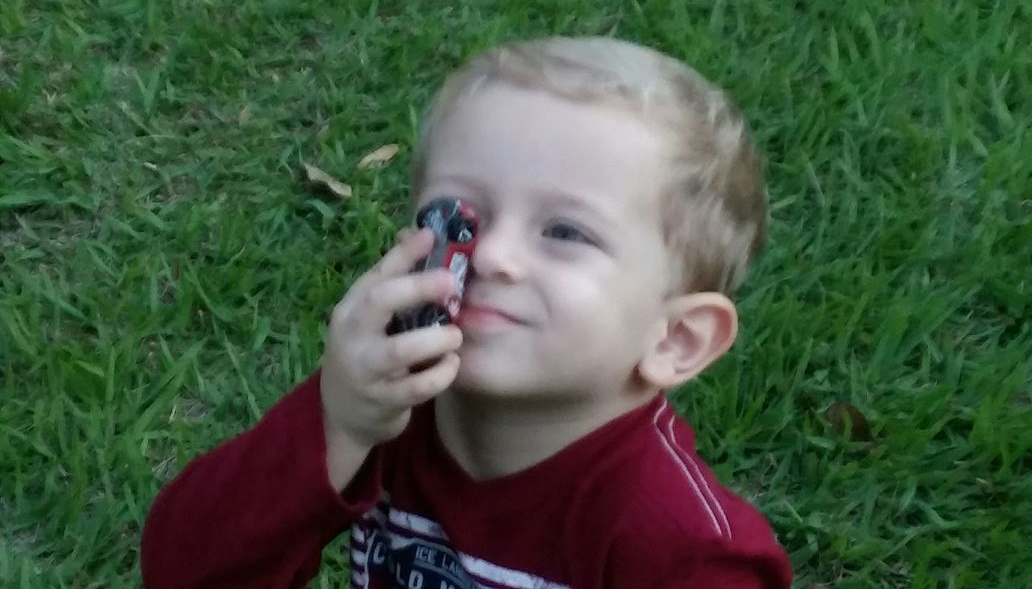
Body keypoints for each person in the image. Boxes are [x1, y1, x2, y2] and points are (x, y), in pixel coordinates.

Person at [141, 37, 793, 588]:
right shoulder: (386, 413)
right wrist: (337, 423)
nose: (495, 255)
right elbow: (183, 571)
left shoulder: (682, 546)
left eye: (565, 233)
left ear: (676, 338)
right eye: (459, 216)